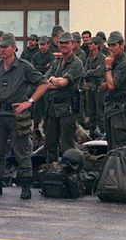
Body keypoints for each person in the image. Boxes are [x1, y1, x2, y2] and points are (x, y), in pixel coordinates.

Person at [0, 33, 48, 199]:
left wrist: (29, 102)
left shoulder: (24, 66)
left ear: (14, 48)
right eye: (0, 47)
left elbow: (43, 83)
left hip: (17, 114)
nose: (1, 50)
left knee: (21, 150)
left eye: (5, 47)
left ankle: (26, 185)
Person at [44, 32, 83, 162]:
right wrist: (56, 83)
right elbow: (44, 83)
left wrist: (53, 79)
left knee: (67, 145)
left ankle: (70, 176)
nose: (64, 45)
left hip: (68, 109)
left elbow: (63, 83)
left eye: (67, 42)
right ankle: (52, 172)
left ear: (72, 44)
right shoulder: (57, 62)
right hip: (53, 108)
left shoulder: (76, 63)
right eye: (61, 43)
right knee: (49, 143)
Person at [100, 31, 126, 150]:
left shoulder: (123, 63)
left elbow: (112, 85)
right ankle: (114, 168)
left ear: (122, 45)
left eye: (114, 45)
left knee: (119, 145)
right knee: (110, 144)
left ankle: (121, 168)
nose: (111, 48)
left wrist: (108, 68)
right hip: (110, 107)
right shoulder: (112, 60)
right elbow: (105, 83)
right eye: (109, 45)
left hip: (119, 108)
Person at [31, 36, 55, 128]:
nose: (42, 46)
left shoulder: (51, 56)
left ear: (48, 44)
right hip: (37, 83)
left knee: (47, 106)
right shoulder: (36, 55)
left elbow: (51, 69)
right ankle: (36, 126)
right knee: (36, 106)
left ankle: (46, 126)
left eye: (43, 44)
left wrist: (40, 67)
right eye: (40, 44)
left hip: (47, 84)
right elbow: (32, 68)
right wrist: (44, 66)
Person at [84, 36, 106, 138]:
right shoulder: (89, 58)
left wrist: (91, 72)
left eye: (91, 43)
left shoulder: (103, 58)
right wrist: (92, 71)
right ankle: (92, 134)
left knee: (100, 113)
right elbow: (84, 72)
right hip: (90, 88)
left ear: (96, 45)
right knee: (91, 113)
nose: (89, 45)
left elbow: (99, 72)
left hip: (99, 88)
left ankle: (103, 134)